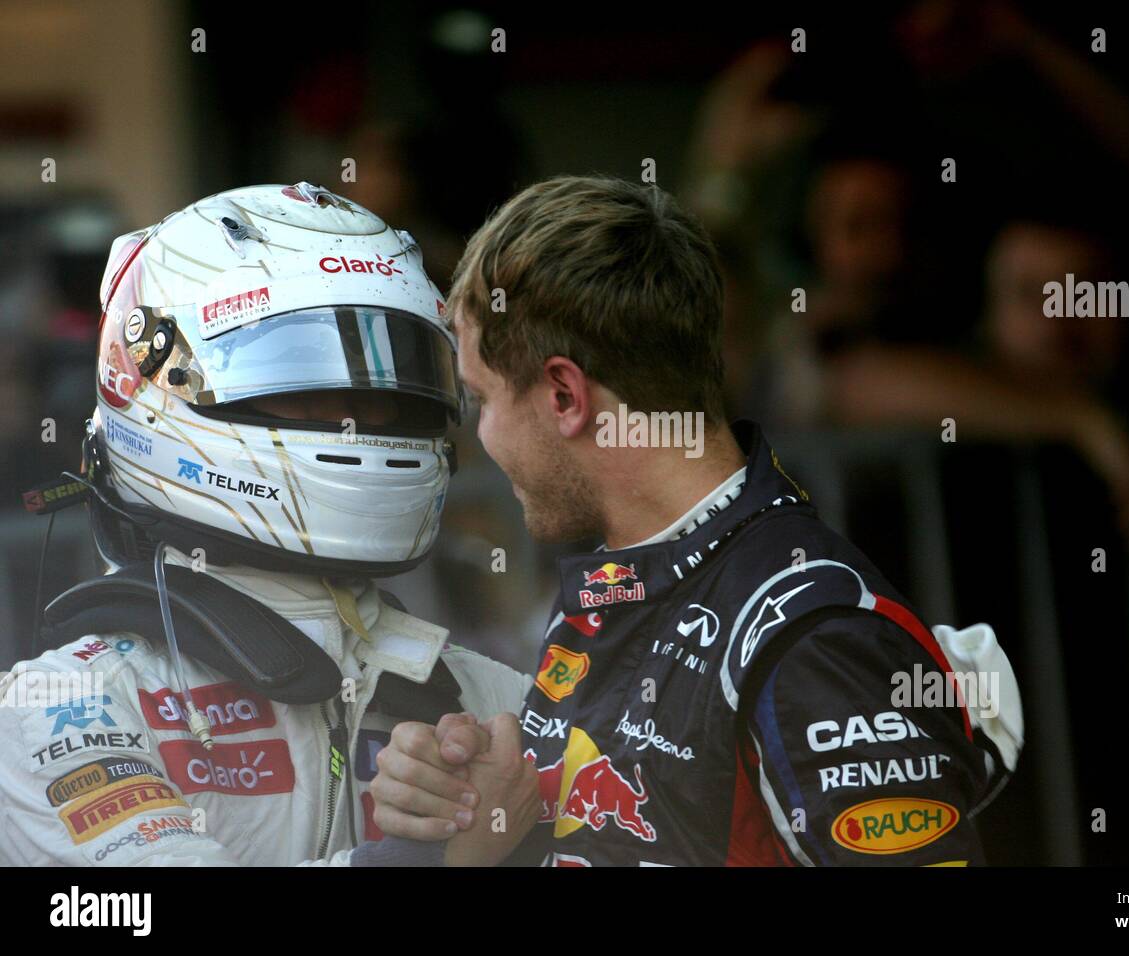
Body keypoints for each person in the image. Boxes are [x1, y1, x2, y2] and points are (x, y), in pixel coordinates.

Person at [368, 175, 1023, 866]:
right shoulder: (611, 591)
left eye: (482, 399)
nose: (480, 438)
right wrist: (466, 814)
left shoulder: (810, 633)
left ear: (564, 394)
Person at [0, 183, 532, 865]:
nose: (358, 417)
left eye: (390, 385)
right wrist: (437, 859)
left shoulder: (489, 705)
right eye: (306, 381)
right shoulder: (66, 705)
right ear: (155, 381)